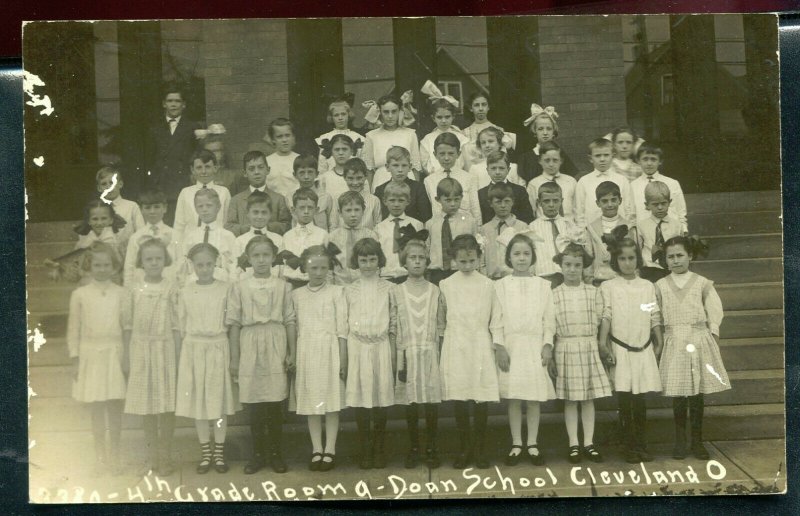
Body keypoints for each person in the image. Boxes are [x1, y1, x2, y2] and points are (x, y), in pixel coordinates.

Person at [657, 236, 730, 460]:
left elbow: (714, 309)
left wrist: (713, 332)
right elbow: (654, 313)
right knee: (679, 394)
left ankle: (697, 442)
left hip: (698, 339)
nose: (676, 260)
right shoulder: (659, 286)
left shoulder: (702, 283)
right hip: (674, 341)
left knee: (697, 394)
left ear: (690, 255)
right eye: (671, 257)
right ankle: (680, 442)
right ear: (666, 260)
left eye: (680, 255)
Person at [227, 236, 295, 474]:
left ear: (273, 257)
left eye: (266, 255)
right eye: (256, 255)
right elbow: (234, 323)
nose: (262, 260)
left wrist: (291, 351)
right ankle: (257, 454)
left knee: (275, 403)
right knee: (255, 404)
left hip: (276, 341)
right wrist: (235, 358)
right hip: (250, 343)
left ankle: (276, 453)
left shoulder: (283, 286)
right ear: (249, 258)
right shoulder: (240, 287)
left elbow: (289, 320)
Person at [438, 234, 503, 469]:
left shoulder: (487, 284)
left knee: (479, 398)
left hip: (479, 344)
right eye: (462, 262)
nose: (467, 266)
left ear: (478, 258)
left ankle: (479, 448)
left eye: (471, 261)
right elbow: (442, 320)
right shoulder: (446, 285)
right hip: (456, 343)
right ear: (454, 259)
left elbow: (495, 318)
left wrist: (497, 345)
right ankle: (464, 447)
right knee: (460, 397)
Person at [175, 243, 240, 474]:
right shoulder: (185, 291)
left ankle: (219, 452)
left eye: (209, 264)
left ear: (216, 263)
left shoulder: (226, 288)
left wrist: (233, 358)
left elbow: (232, 324)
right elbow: (181, 326)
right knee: (199, 403)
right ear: (192, 266)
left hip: (218, 347)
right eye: (199, 265)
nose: (204, 269)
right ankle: (206, 453)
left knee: (218, 403)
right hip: (194, 349)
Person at [599, 233, 663, 463]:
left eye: (632, 258)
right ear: (615, 261)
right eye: (623, 259)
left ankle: (641, 443)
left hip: (642, 347)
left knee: (640, 400)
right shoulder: (608, 286)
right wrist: (602, 343)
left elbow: (653, 314)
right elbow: (606, 314)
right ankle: (629, 445)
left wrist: (658, 339)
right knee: (625, 399)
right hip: (621, 349)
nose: (628, 263)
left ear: (638, 259)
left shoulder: (647, 286)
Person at [494, 234, 556, 466]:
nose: (521, 258)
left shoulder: (543, 285)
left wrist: (547, 344)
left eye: (526, 254)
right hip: (511, 346)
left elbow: (549, 319)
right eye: (517, 254)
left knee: (532, 399)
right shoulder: (500, 286)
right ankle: (516, 443)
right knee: (514, 397)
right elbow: (496, 320)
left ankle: (532, 443)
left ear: (533, 257)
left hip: (534, 345)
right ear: (509, 257)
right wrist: (499, 346)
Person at [66, 242, 127, 475]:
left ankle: (116, 456)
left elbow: (126, 325)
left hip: (114, 351)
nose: (102, 269)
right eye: (97, 265)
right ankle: (100, 457)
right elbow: (74, 328)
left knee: (114, 406)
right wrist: (75, 358)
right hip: (90, 354)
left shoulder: (122, 293)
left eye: (106, 265)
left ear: (114, 267)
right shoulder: (80, 294)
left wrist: (125, 358)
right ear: (89, 267)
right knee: (96, 408)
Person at [121, 238, 179, 476]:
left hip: (164, 350)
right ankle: (152, 455)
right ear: (141, 262)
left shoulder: (172, 287)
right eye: (149, 259)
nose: (154, 263)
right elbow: (127, 324)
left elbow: (176, 324)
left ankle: (165, 456)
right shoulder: (134, 288)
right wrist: (126, 355)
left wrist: (178, 354)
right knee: (146, 406)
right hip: (141, 351)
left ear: (165, 260)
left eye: (158, 258)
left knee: (166, 406)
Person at [551, 242, 613, 464]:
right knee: (570, 399)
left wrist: (601, 343)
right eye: (567, 264)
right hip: (565, 348)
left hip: (588, 347)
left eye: (577, 265)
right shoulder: (555, 294)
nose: (572, 269)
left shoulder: (593, 292)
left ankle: (589, 442)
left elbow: (602, 317)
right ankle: (573, 444)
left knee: (587, 399)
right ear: (561, 266)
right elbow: (550, 324)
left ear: (584, 267)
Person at [291, 244, 348, 472]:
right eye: (313, 268)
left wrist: (343, 360)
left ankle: (330, 449)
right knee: (313, 403)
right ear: (305, 268)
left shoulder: (337, 292)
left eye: (323, 268)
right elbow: (294, 329)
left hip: (330, 350)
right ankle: (317, 449)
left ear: (329, 268)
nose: (318, 272)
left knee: (331, 403)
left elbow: (342, 329)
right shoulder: (297, 295)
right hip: (307, 351)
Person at [345, 238, 398, 469]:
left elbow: (394, 322)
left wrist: (394, 353)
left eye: (372, 259)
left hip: (381, 346)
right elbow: (345, 324)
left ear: (380, 260)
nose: (368, 264)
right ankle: (364, 448)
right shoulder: (349, 290)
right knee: (362, 399)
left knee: (380, 400)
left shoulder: (390, 288)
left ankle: (379, 448)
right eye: (363, 260)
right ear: (356, 262)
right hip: (358, 347)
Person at [394, 238, 443, 469]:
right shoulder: (397, 291)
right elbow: (395, 325)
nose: (416, 262)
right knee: (411, 403)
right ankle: (413, 447)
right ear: (404, 262)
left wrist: (440, 353)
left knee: (431, 403)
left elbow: (440, 324)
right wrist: (399, 358)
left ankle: (432, 446)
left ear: (427, 262)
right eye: (412, 258)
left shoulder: (435, 291)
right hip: (407, 354)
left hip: (430, 351)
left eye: (421, 258)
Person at [145, 83, 202, 224]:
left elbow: (197, 155)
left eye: (177, 101)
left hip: (183, 183)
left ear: (184, 104)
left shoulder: (192, 127)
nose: (174, 104)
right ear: (164, 104)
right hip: (161, 184)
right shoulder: (154, 128)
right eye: (170, 101)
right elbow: (149, 158)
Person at [528, 182, 589, 288]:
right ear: (539, 202)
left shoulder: (569, 224)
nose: (551, 205)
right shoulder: (532, 227)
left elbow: (579, 251)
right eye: (546, 201)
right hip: (544, 276)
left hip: (568, 276)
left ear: (562, 201)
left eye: (555, 201)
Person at [425, 177, 479, 285]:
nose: (453, 204)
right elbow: (427, 248)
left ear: (462, 198)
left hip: (461, 270)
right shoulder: (431, 223)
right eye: (448, 200)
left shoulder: (469, 221)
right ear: (438, 199)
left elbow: (476, 248)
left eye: (457, 199)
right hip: (437, 273)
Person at [225, 150, 292, 237]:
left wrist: (265, 226)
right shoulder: (236, 200)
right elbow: (229, 227)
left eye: (260, 167)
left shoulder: (278, 199)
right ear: (245, 173)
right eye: (251, 169)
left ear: (268, 170)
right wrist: (248, 228)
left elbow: (287, 225)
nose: (256, 172)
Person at [178, 188, 237, 285]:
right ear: (196, 209)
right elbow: (185, 264)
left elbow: (233, 264)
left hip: (220, 282)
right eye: (200, 206)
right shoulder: (190, 236)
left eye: (209, 205)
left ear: (218, 207)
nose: (204, 210)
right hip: (195, 282)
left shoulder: (228, 236)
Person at [173, 149, 232, 245]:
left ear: (215, 168)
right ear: (192, 170)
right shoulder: (185, 193)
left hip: (217, 243)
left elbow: (227, 223)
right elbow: (179, 227)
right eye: (199, 167)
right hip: (191, 244)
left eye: (208, 167)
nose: (204, 171)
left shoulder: (224, 192)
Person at [575, 138, 634, 228]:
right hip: (593, 233)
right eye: (598, 156)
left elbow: (628, 209)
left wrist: (626, 229)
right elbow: (579, 212)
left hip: (619, 231)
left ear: (612, 156)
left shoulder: (622, 180)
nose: (602, 159)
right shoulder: (583, 182)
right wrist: (585, 233)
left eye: (606, 155)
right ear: (590, 158)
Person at [585, 181, 637, 285]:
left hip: (623, 279)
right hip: (599, 280)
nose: (610, 205)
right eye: (604, 201)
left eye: (613, 200)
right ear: (598, 203)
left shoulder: (629, 227)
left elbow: (635, 256)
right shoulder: (591, 228)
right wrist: (589, 280)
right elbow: (588, 257)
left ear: (620, 200)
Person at [423, 132, 482, 223]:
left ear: (458, 154)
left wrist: (478, 231)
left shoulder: (469, 178)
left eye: (451, 153)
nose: (446, 158)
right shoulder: (429, 181)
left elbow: (475, 209)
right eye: (442, 154)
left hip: (464, 227)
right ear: (435, 155)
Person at [123, 190, 178, 286]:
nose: (152, 211)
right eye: (148, 208)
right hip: (142, 287)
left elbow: (180, 265)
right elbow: (129, 268)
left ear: (164, 208)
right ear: (141, 210)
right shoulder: (135, 237)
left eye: (156, 207)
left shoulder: (175, 235)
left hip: (168, 286)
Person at [630, 144, 688, 233]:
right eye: (645, 159)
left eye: (653, 159)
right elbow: (631, 215)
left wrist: (684, 230)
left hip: (670, 232)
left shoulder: (672, 183)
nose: (649, 163)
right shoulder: (632, 186)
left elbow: (681, 212)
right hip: (644, 234)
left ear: (660, 161)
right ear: (638, 161)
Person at [362, 94, 422, 179]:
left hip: (407, 181)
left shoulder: (410, 134)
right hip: (381, 181)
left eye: (394, 111)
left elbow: (416, 167)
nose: (390, 116)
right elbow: (369, 170)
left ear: (400, 111)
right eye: (386, 112)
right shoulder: (371, 136)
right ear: (380, 112)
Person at [375, 182, 424, 284]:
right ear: (385, 201)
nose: (396, 204)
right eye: (392, 200)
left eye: (401, 200)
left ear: (408, 201)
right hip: (386, 277)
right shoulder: (379, 228)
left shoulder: (416, 224)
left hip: (409, 277)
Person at [327, 191, 379, 285]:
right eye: (348, 210)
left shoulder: (371, 236)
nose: (353, 214)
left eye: (357, 210)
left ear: (363, 211)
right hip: (340, 286)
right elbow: (329, 268)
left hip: (364, 285)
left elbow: (376, 265)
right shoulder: (332, 237)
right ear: (340, 213)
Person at [479, 182, 530, 280]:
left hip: (515, 278)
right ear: (490, 203)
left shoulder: (522, 227)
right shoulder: (485, 229)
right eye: (498, 202)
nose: (503, 205)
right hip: (491, 279)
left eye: (507, 201)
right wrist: (486, 277)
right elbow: (481, 259)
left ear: (513, 202)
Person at [517, 103, 578, 184]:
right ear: (535, 131)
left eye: (549, 129)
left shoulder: (560, 154)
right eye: (540, 129)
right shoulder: (526, 158)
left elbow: (570, 181)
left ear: (553, 132)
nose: (545, 133)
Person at [281, 188, 329, 287]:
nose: (306, 211)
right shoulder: (287, 236)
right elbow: (284, 265)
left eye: (310, 208)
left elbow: (327, 263)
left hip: (316, 284)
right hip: (292, 284)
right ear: (293, 210)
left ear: (316, 210)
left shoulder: (322, 234)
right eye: (302, 208)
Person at [638, 181, 683, 283]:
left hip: (671, 269)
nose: (660, 207)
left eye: (663, 203)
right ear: (647, 205)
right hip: (649, 270)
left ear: (669, 202)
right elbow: (638, 248)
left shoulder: (676, 225)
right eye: (655, 204)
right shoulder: (641, 225)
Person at [232, 191, 284, 281]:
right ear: (247, 213)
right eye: (255, 212)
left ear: (270, 214)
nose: (259, 217)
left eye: (264, 212)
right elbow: (235, 272)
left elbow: (282, 272)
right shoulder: (240, 241)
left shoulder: (278, 240)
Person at [373, 146, 433, 222]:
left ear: (410, 167)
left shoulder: (418, 188)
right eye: (395, 165)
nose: (400, 170)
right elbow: (378, 217)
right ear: (387, 167)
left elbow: (426, 217)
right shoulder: (380, 190)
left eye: (404, 165)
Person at [95, 165, 145, 252]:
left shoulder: (131, 207)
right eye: (104, 184)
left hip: (128, 255)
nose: (108, 187)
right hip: (103, 258)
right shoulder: (95, 209)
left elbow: (141, 234)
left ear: (120, 184)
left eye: (112, 182)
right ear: (99, 188)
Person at [477, 150, 534, 225]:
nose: (497, 172)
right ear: (487, 170)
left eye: (501, 168)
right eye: (493, 168)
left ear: (508, 170)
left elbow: (527, 218)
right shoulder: (481, 193)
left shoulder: (519, 191)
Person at [526, 141, 578, 223]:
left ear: (561, 161)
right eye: (547, 160)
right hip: (544, 228)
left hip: (569, 227)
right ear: (540, 161)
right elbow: (531, 212)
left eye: (555, 160)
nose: (551, 164)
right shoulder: (533, 184)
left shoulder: (571, 181)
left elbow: (577, 209)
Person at [418, 94, 471, 175]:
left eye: (447, 117)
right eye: (439, 117)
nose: (443, 121)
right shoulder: (427, 140)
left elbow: (467, 164)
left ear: (453, 116)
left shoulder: (462, 139)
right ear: (433, 118)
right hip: (436, 179)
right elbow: (425, 164)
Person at [315, 94, 365, 174]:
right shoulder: (325, 139)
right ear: (332, 117)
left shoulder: (358, 138)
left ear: (348, 115)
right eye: (336, 115)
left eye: (343, 114)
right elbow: (322, 168)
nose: (340, 118)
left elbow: (362, 165)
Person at [329, 158, 382, 230]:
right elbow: (333, 226)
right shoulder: (337, 199)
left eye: (359, 178)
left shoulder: (374, 200)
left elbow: (378, 227)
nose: (355, 183)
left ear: (366, 176)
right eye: (351, 178)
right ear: (344, 177)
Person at [285, 154, 334, 231]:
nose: (306, 177)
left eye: (310, 172)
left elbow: (332, 224)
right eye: (302, 173)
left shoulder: (325, 197)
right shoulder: (290, 196)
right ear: (295, 175)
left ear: (317, 174)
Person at [318, 134, 367, 202]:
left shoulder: (359, 177)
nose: (340, 153)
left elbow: (367, 200)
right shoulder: (325, 178)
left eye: (344, 149)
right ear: (331, 152)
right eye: (337, 150)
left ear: (352, 151)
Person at [264, 118, 301, 198]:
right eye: (279, 137)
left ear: (293, 137)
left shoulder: (300, 159)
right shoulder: (266, 161)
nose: (284, 140)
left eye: (287, 135)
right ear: (273, 140)